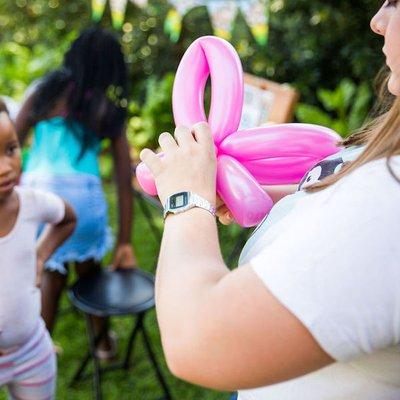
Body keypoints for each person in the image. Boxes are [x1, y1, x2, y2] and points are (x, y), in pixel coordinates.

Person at [139, 2, 400, 399]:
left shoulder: (389, 205)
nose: (378, 21)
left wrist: (185, 200)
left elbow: (200, 340)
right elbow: (344, 210)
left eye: (397, 3)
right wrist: (263, 196)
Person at [15, 27, 136, 358]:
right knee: (91, 273)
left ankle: (37, 354)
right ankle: (103, 342)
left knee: (50, 276)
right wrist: (124, 241)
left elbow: (11, 136)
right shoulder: (106, 109)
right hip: (84, 199)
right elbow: (125, 181)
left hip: (40, 195)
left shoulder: (44, 91)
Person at [0, 103, 76, 399]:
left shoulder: (31, 203)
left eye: (11, 149)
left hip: (32, 350)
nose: (6, 167)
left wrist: (41, 255)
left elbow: (67, 218)